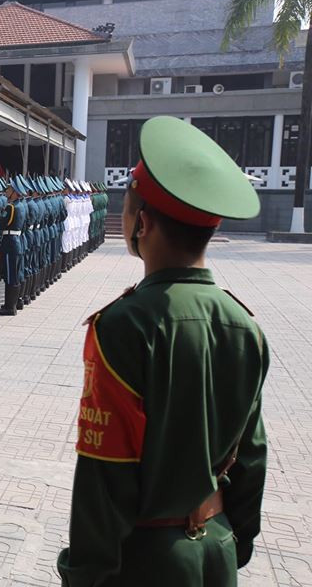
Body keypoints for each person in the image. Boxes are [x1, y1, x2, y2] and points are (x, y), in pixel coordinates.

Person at [57, 116, 268, 587]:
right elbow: (252, 454)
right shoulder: (245, 327)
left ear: (142, 223)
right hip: (217, 549)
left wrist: (85, 574)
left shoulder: (125, 325)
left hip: (144, 561)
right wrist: (233, 542)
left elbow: (104, 473)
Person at [0, 176, 29, 316]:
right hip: (16, 241)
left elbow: (2, 225)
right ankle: (14, 303)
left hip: (10, 242)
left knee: (10, 275)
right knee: (15, 273)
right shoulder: (21, 206)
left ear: (15, 192)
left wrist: (1, 216)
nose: (6, 191)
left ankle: (10, 307)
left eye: (9, 189)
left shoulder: (11, 207)